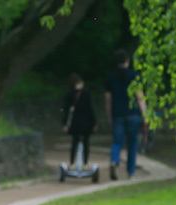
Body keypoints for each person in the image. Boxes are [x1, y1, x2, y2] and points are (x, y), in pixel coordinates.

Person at [104, 49, 147, 180]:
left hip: (117, 114)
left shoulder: (110, 78)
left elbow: (108, 100)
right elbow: (140, 96)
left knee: (117, 141)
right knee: (132, 143)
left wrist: (109, 116)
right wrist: (145, 115)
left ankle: (114, 160)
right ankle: (131, 171)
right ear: (127, 61)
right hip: (133, 113)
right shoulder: (134, 76)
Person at [62, 73, 97, 166]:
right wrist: (94, 123)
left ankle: (72, 163)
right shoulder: (86, 93)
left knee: (74, 143)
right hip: (86, 123)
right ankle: (85, 163)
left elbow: (66, 110)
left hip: (75, 122)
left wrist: (65, 124)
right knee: (86, 143)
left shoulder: (69, 94)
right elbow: (91, 109)